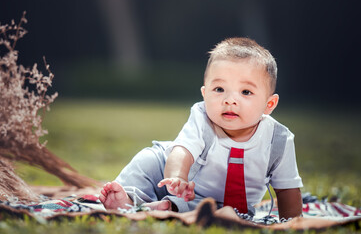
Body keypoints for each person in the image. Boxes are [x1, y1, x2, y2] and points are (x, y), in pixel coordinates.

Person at [100, 37, 303, 220]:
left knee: (204, 210)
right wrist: (177, 178)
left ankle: (164, 207)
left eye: (246, 92)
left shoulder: (279, 140)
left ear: (269, 104)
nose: (230, 100)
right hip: (175, 175)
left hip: (211, 201)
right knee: (147, 162)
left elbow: (288, 190)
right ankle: (127, 197)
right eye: (219, 89)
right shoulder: (203, 117)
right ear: (205, 94)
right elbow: (183, 151)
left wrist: (291, 223)